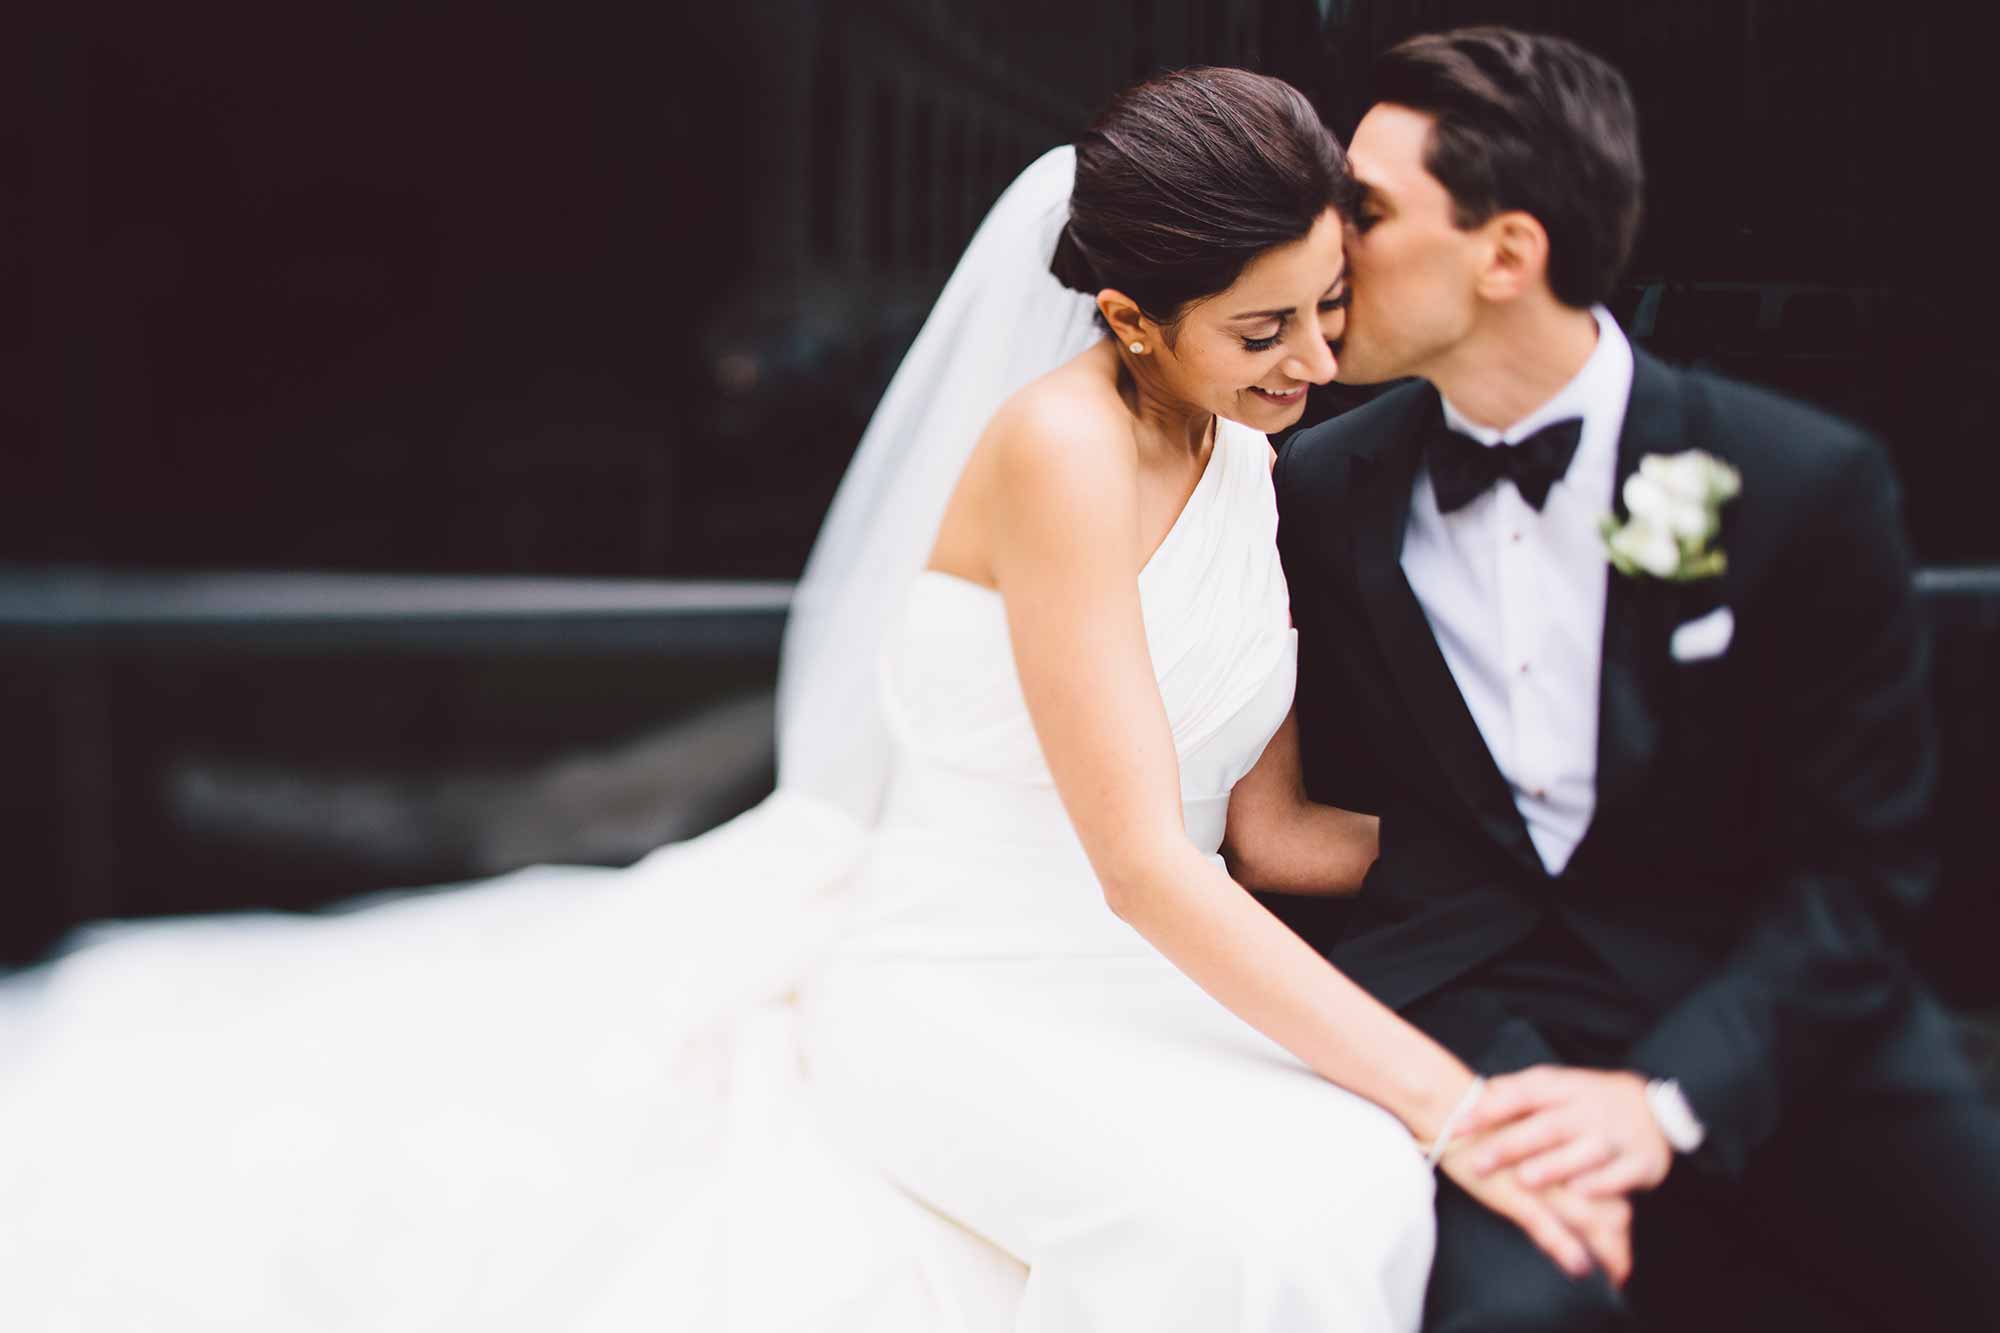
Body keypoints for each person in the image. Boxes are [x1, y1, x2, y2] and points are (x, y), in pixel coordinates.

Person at [0, 67, 1591, 1331]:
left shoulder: (1249, 460)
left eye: (1326, 309)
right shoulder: (1061, 449)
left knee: (1339, 1180)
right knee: (1249, 1224)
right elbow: (1144, 863)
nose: (1315, 361)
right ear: (1126, 319)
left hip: (1148, 983)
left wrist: (1563, 841)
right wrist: (1452, 1097)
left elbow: (1274, 830)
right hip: (966, 983)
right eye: (1263, 329)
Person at [1241, 26, 2000, 1331]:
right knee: (1515, 1310)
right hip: (1474, 1005)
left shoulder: (1805, 486)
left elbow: (1861, 874)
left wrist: (1667, 1098)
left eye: (1360, 208)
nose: (1321, 241)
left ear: (1509, 254)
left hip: (1759, 988)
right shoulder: (1318, 489)